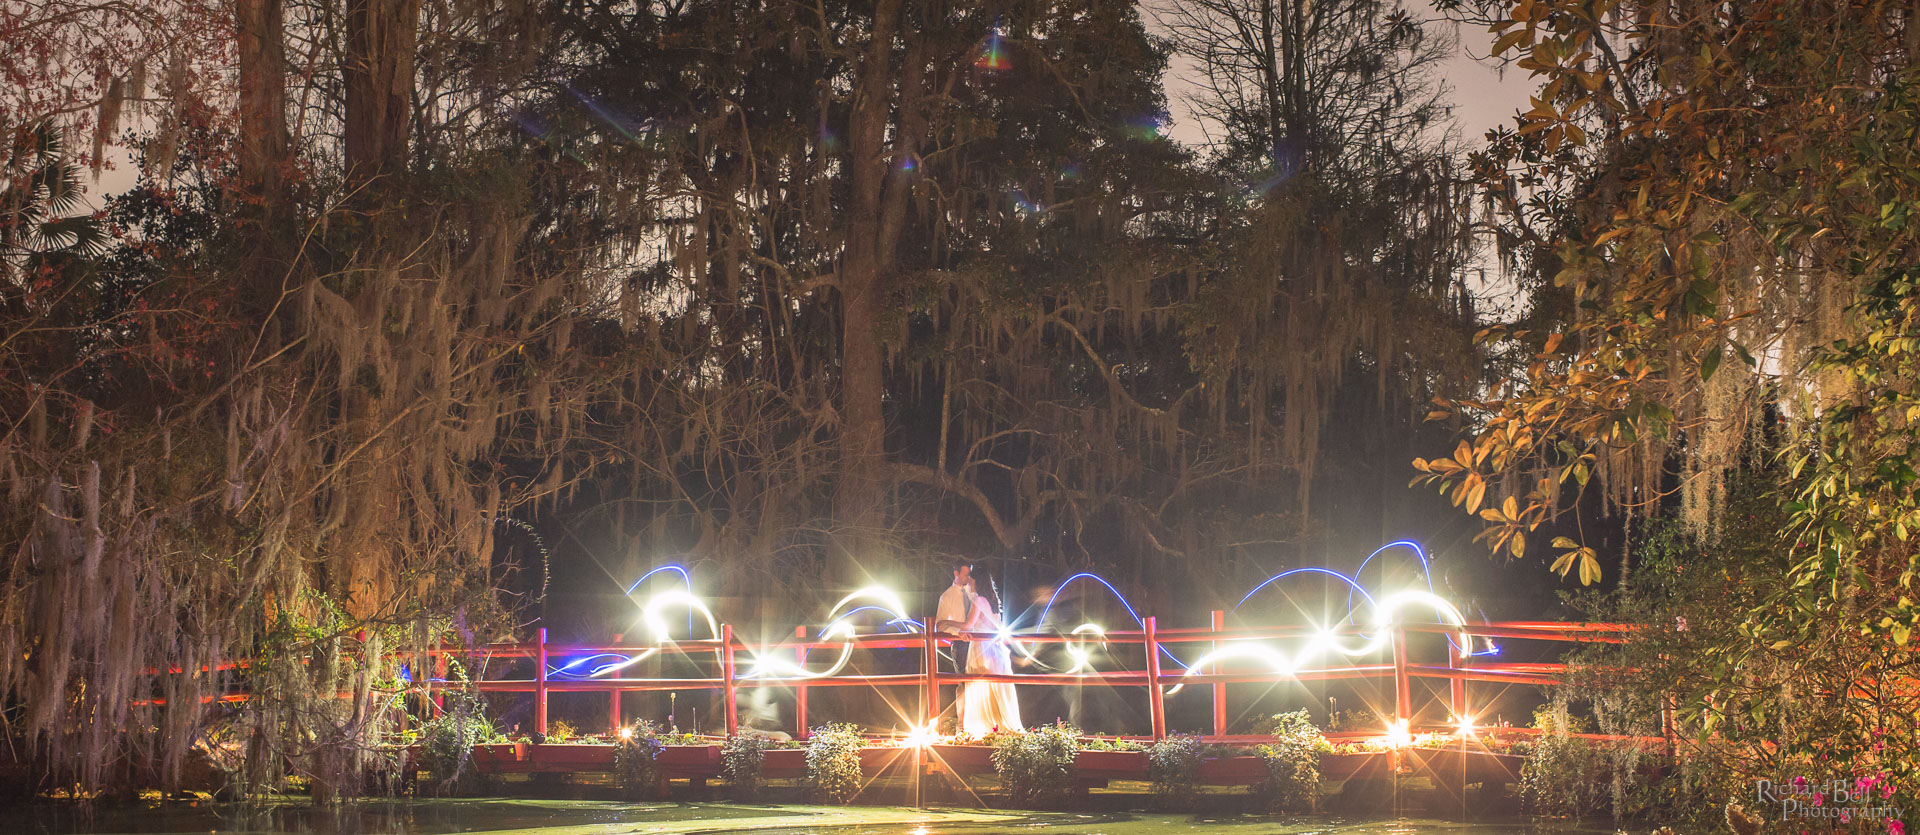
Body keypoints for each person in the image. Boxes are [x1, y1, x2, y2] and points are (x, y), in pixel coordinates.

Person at [959, 574, 1023, 736]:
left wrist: (946, 624)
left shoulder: (979, 601)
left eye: (971, 579)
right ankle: (996, 725)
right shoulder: (993, 602)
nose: (969, 582)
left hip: (981, 648)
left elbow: (968, 625)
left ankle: (983, 727)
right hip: (993, 647)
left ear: (977, 582)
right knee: (993, 688)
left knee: (979, 685)